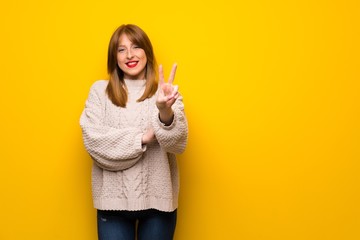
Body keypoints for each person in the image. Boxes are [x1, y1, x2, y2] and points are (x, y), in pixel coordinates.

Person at [80, 24, 188, 240]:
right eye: (121, 49)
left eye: (136, 47)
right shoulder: (99, 92)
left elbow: (178, 144)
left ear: (146, 51)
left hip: (158, 205)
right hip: (113, 206)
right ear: (114, 57)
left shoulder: (165, 92)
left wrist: (164, 112)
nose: (130, 55)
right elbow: (94, 142)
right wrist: (143, 138)